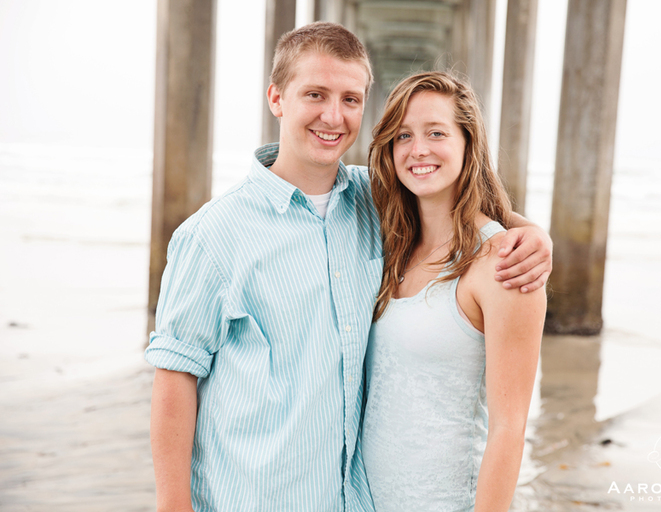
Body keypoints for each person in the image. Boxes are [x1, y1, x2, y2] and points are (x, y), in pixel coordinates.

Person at [146, 23, 551, 512]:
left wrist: (530, 232)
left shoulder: (371, 200)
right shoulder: (211, 235)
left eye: (351, 99)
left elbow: (443, 188)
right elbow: (174, 380)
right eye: (315, 94)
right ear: (276, 98)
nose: (333, 116)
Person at [362, 71, 546, 511]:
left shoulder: (503, 262)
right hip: (362, 500)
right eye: (402, 135)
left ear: (468, 143)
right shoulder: (387, 241)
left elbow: (509, 428)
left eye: (436, 132)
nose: (418, 149)